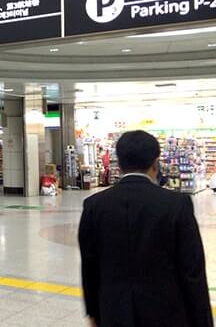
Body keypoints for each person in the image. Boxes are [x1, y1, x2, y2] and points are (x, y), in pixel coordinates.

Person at [78, 130, 212, 327]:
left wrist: (93, 312)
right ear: (155, 162)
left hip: (114, 311)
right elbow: (192, 271)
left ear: (120, 161)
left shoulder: (94, 205)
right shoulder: (177, 204)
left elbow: (90, 266)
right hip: (167, 312)